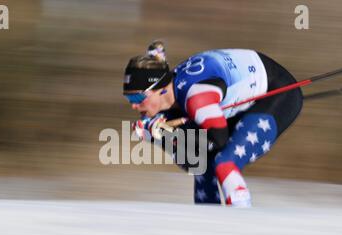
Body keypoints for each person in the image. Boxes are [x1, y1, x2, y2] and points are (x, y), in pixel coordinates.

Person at [123, 40, 303, 207]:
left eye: (138, 97)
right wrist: (160, 137)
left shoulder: (197, 96)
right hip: (237, 100)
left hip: (277, 93)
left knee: (225, 163)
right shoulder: (168, 103)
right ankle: (210, 227)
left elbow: (218, 140)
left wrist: (165, 134)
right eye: (129, 97)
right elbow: (192, 161)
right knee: (203, 167)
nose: (133, 105)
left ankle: (242, 221)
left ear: (160, 89)